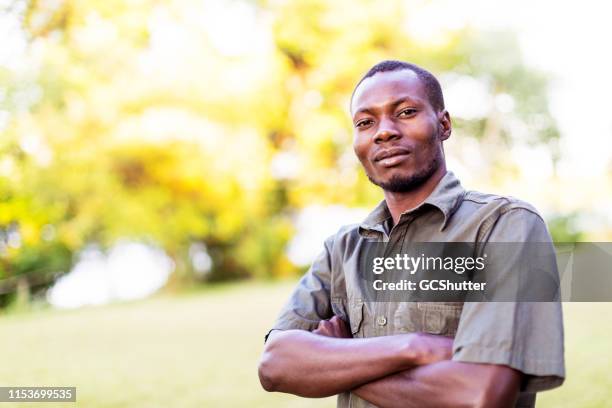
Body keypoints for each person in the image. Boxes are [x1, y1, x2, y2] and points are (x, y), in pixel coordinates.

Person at [258, 60, 565, 408]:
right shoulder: (341, 250)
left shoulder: (504, 226)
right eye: (365, 122)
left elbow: (480, 394)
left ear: (444, 124)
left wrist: (336, 357)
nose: (383, 131)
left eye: (405, 112)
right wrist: (415, 347)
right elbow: (275, 366)